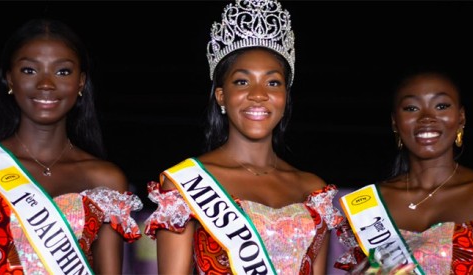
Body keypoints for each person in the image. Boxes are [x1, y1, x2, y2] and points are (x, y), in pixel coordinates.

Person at [143, 0, 344, 274]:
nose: (259, 94)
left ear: (285, 97)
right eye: (242, 81)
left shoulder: (312, 189)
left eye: (273, 82)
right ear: (221, 95)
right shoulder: (186, 185)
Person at [0, 18, 143, 274]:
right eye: (30, 70)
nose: (46, 84)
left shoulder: (105, 179)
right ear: (9, 79)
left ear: (81, 82)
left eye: (62, 71)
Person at [336, 70, 473, 274]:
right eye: (411, 108)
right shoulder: (368, 205)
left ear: (461, 117)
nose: (427, 117)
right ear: (395, 122)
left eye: (441, 106)